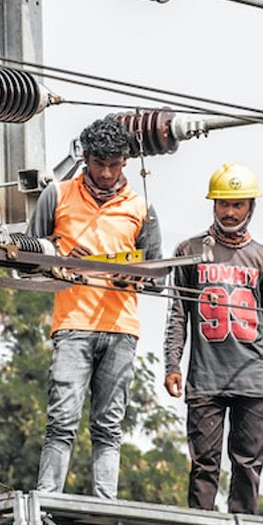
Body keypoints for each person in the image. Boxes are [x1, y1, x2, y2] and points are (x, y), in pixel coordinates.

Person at [27, 117, 162, 499]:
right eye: (98, 163)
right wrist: (59, 256)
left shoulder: (141, 208)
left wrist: (132, 276)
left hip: (121, 328)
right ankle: (48, 498)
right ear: (85, 158)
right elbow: (27, 255)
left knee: (109, 424)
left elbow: (156, 274)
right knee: (62, 420)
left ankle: (106, 502)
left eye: (114, 164)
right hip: (73, 323)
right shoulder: (58, 195)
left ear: (126, 162)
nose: (105, 173)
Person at [163, 162, 263, 514]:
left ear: (251, 207)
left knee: (247, 465)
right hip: (206, 378)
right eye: (223, 204)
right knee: (204, 465)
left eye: (238, 205)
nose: (230, 213)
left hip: (253, 377)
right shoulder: (190, 250)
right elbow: (177, 314)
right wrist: (172, 363)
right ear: (213, 205)